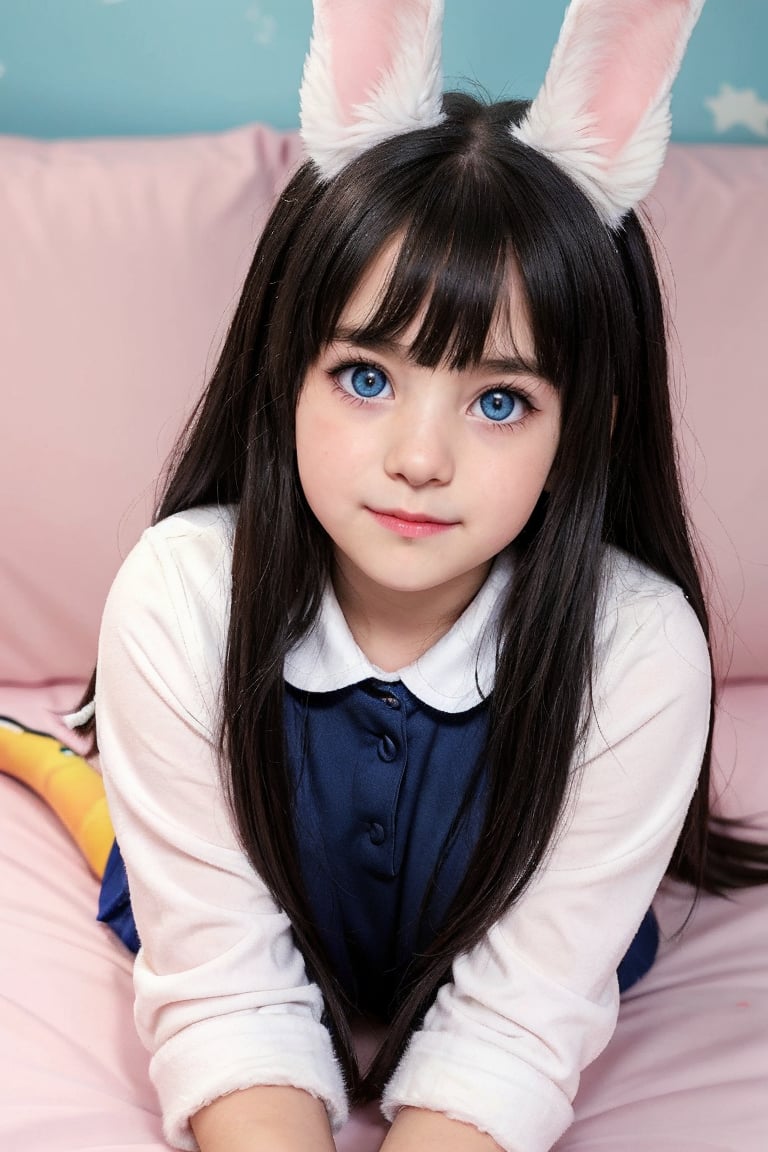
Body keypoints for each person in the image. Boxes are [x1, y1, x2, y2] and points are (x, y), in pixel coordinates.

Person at [64, 2, 768, 1150]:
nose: (420, 460)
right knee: (110, 820)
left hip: (511, 973)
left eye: (500, 401)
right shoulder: (180, 595)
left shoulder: (637, 653)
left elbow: (516, 1026)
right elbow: (225, 992)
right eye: (365, 377)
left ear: (584, 430)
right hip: (228, 909)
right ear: (282, 367)